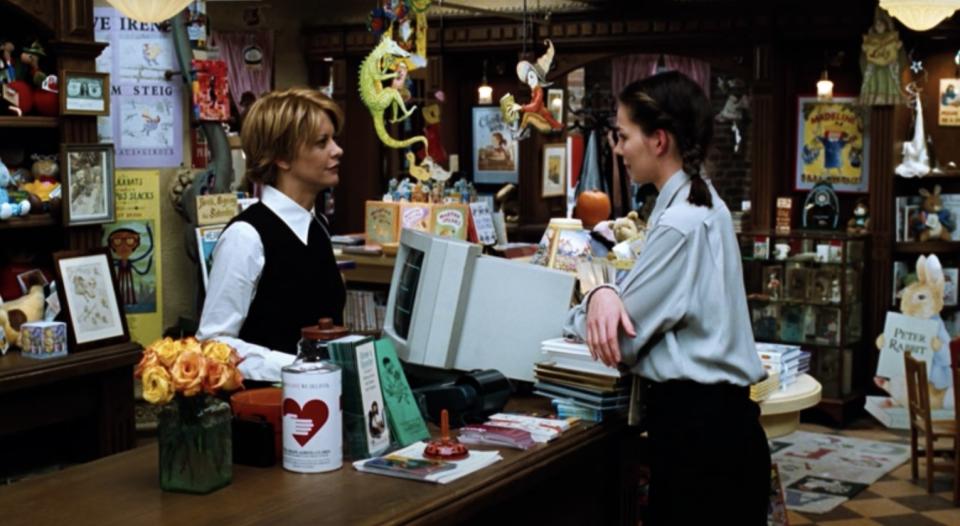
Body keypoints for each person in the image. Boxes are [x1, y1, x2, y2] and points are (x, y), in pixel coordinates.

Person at [563, 71, 769, 524]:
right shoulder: (703, 205)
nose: (617, 148)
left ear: (658, 141)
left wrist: (595, 295)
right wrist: (605, 294)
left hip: (702, 443)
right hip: (722, 435)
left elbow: (620, 339)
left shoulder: (680, 223)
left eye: (623, 136)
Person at [197, 88, 346, 382]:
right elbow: (213, 345)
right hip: (266, 412)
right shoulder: (246, 237)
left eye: (333, 139)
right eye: (321, 142)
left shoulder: (318, 227)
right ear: (281, 157)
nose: (337, 150)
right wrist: (298, 368)